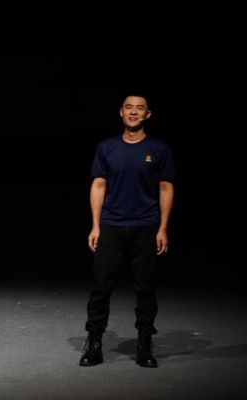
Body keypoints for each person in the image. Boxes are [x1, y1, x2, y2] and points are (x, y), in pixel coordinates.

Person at [79, 94, 176, 368]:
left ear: (148, 114)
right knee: (101, 286)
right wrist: (96, 225)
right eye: (129, 107)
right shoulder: (107, 147)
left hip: (146, 225)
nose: (134, 112)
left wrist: (163, 228)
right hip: (111, 224)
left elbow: (165, 187)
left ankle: (144, 344)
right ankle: (94, 343)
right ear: (121, 112)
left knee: (145, 287)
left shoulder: (159, 148)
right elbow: (99, 185)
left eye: (140, 108)